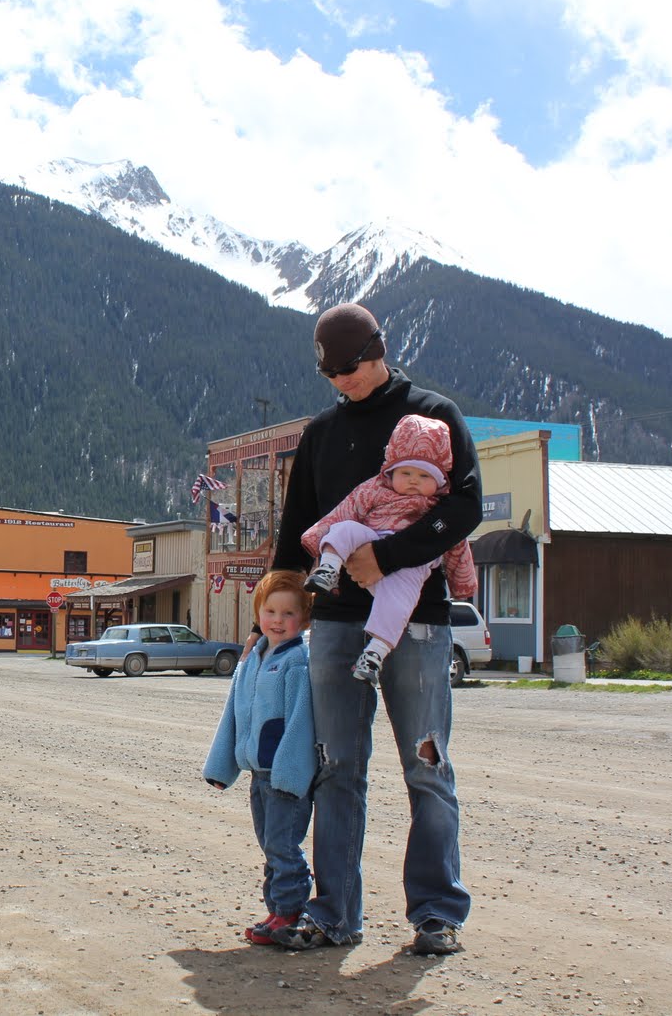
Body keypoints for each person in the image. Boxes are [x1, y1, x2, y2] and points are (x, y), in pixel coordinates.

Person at [269, 302, 480, 957]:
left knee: (426, 765)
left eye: (351, 368)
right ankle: (334, 914)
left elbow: (465, 507)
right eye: (331, 374)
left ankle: (437, 913)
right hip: (335, 625)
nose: (343, 381)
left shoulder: (434, 416)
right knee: (337, 769)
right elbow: (295, 529)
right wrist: (276, 613)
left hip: (415, 623)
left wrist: (385, 557)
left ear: (378, 350)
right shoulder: (321, 433)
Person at [301, 413, 478, 686]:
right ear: (391, 472)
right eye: (406, 473)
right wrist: (314, 537)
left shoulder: (440, 508)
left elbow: (458, 548)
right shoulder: (374, 490)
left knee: (398, 607)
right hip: (370, 538)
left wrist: (463, 585)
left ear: (440, 481)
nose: (413, 481)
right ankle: (328, 569)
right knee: (344, 528)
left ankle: (374, 653)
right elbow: (344, 510)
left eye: (424, 475)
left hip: (411, 568)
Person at [202, 571, 315, 946]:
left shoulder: (297, 661)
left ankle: (291, 911)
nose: (278, 621)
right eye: (270, 611)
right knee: (270, 846)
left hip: (284, 776)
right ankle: (276, 910)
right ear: (258, 613)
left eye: (288, 613)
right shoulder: (251, 659)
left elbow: (301, 720)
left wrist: (290, 772)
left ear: (304, 619)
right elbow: (233, 716)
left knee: (283, 846)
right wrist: (222, 767)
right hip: (258, 774)